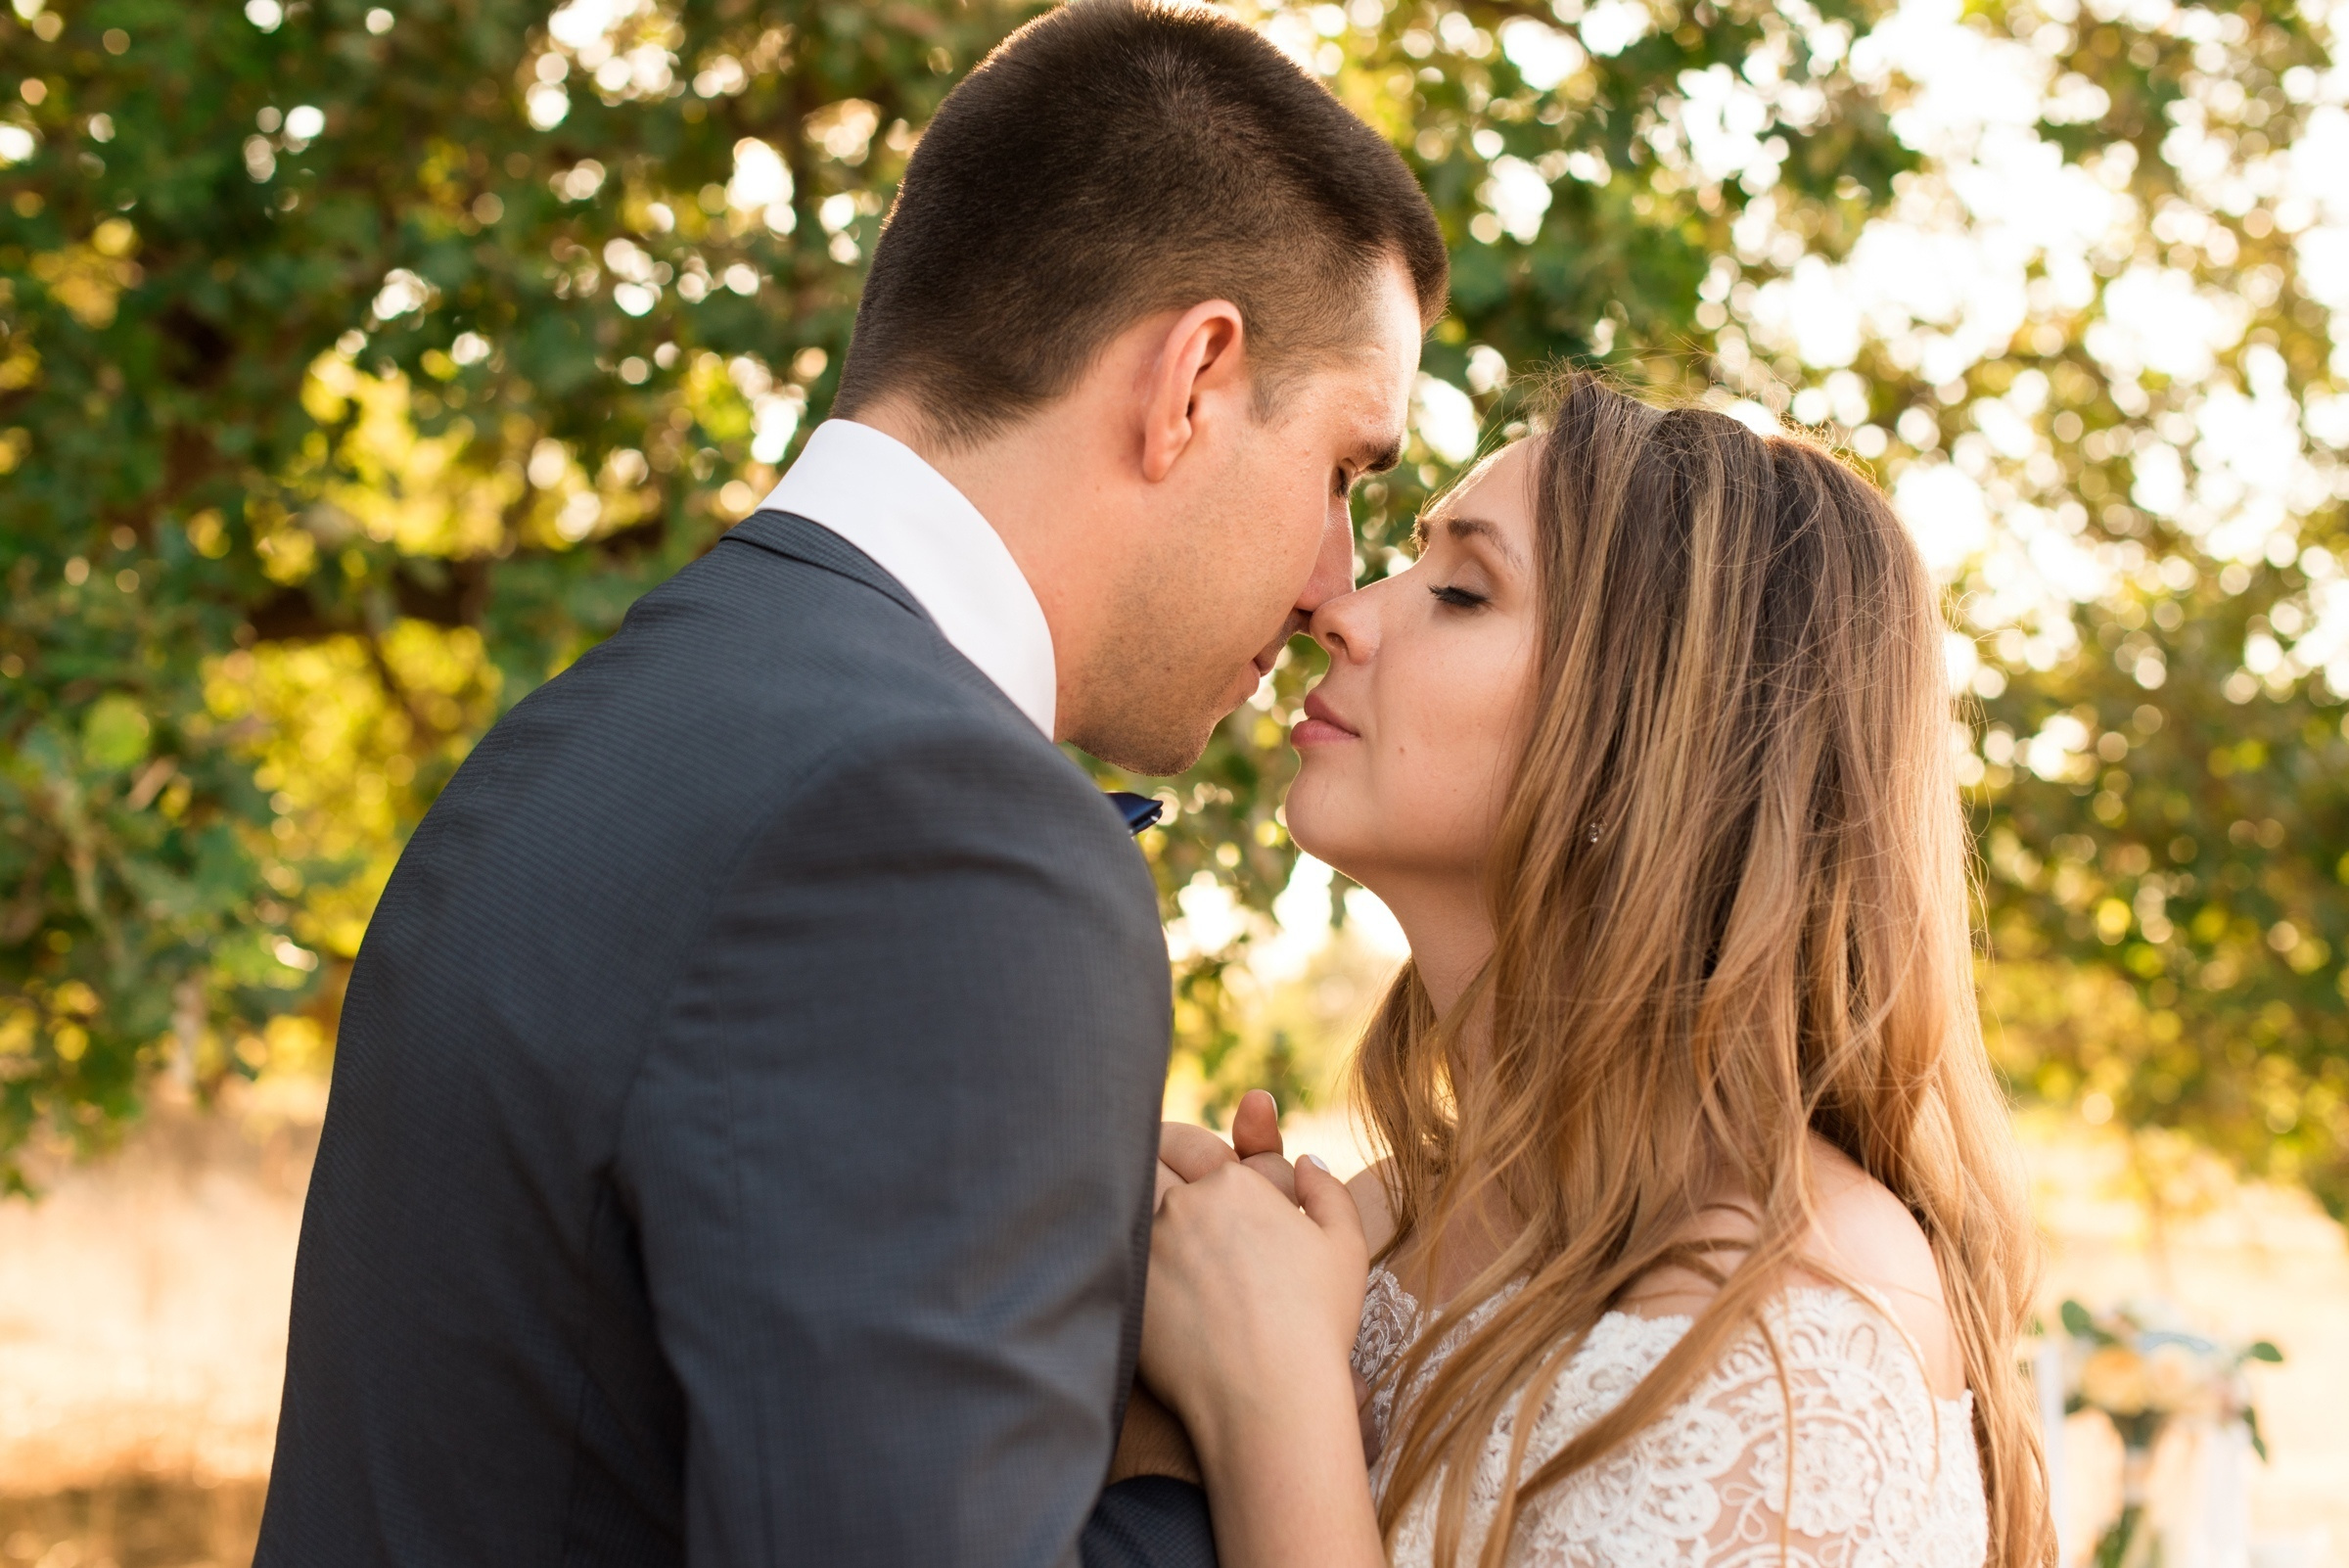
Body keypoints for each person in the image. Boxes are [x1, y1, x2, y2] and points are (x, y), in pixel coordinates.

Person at [253, 4, 1445, 1565]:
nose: (1335, 580)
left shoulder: (605, 719)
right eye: (1347, 469)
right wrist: (1193, 1437)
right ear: (1194, 381)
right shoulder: (946, 835)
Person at [1136, 374, 2057, 1567]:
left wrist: (1267, 1399)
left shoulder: (1793, 1334)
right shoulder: (1376, 1231)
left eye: (1463, 591)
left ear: (1651, 750)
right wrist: (1182, 1327)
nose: (1344, 613)